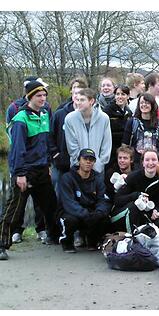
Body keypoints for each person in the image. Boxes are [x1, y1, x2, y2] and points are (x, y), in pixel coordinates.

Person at [1, 81, 59, 260]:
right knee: (15, 209)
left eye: (44, 96)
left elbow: (46, 144)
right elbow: (18, 150)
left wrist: (49, 165)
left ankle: (55, 236)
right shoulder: (20, 119)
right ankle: (2, 244)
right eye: (38, 96)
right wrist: (20, 174)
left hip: (42, 169)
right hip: (25, 171)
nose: (42, 99)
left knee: (50, 206)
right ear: (30, 97)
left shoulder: (43, 114)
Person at [58, 148, 111, 253]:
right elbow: (69, 203)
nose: (88, 162)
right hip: (71, 213)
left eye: (91, 160)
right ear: (79, 160)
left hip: (90, 213)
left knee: (104, 218)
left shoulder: (97, 179)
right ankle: (67, 242)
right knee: (70, 220)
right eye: (85, 159)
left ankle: (92, 240)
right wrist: (85, 214)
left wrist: (98, 213)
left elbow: (103, 200)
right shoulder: (67, 178)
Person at [111, 149, 159, 235]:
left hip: (144, 212)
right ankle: (132, 239)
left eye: (153, 160)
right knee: (134, 207)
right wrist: (136, 195)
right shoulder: (133, 177)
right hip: (121, 213)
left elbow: (158, 203)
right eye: (147, 160)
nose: (150, 163)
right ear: (142, 163)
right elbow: (117, 200)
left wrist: (155, 211)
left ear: (158, 162)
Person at [64, 88, 112, 175]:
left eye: (82, 100)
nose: (78, 102)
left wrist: (100, 163)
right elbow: (72, 146)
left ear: (91, 101)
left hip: (98, 168)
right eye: (77, 100)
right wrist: (80, 163)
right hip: (78, 167)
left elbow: (106, 144)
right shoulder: (70, 119)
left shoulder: (104, 118)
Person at [49, 85, 82, 197]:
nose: (78, 96)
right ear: (72, 95)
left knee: (77, 196)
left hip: (82, 165)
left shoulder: (89, 116)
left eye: (81, 94)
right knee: (58, 195)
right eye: (76, 93)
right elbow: (50, 137)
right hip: (61, 164)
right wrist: (55, 154)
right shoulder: (59, 114)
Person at [122, 93, 159, 166]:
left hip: (153, 162)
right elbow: (125, 144)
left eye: (147, 103)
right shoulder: (132, 122)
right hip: (136, 162)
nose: (144, 105)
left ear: (152, 105)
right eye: (141, 103)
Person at [103, 84, 133, 167]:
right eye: (117, 94)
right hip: (110, 151)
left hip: (123, 151)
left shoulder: (129, 112)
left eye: (123, 94)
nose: (120, 97)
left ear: (128, 96)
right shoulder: (107, 111)